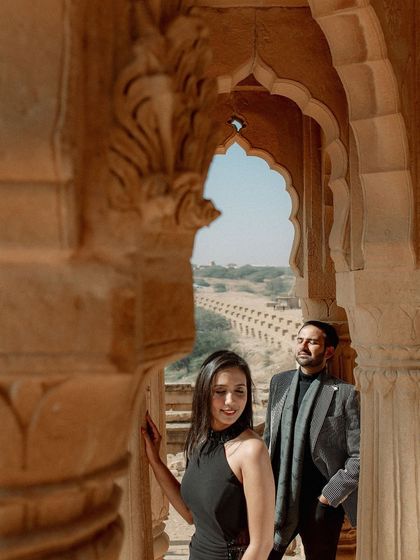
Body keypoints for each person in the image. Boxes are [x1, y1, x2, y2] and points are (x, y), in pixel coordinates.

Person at [142, 350, 275, 560]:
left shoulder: (251, 450)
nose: (230, 401)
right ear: (204, 393)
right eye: (220, 391)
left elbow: (261, 545)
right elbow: (190, 514)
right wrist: (155, 461)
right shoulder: (201, 441)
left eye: (239, 391)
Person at [264, 320, 360, 560]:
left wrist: (329, 496)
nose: (303, 346)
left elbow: (360, 455)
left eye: (312, 341)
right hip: (277, 497)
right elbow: (268, 437)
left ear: (329, 351)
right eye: (300, 340)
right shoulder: (279, 383)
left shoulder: (345, 393)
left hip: (321, 504)